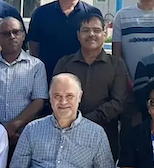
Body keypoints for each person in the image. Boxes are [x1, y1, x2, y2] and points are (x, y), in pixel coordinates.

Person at [53, 13, 130, 160]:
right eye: (86, 30)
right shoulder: (65, 63)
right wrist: (72, 122)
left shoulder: (116, 65)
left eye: (96, 30)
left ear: (104, 33)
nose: (91, 34)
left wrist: (84, 121)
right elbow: (55, 97)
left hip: (105, 135)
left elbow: (118, 102)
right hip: (67, 134)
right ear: (78, 35)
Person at [0, 17, 48, 149]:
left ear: (23, 36)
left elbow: (38, 101)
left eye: (16, 32)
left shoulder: (36, 66)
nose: (12, 36)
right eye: (6, 33)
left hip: (25, 135)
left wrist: (13, 126)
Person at [26, 0, 103, 80]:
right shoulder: (41, 13)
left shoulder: (92, 13)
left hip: (85, 77)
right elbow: (34, 48)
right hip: (47, 77)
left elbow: (97, 46)